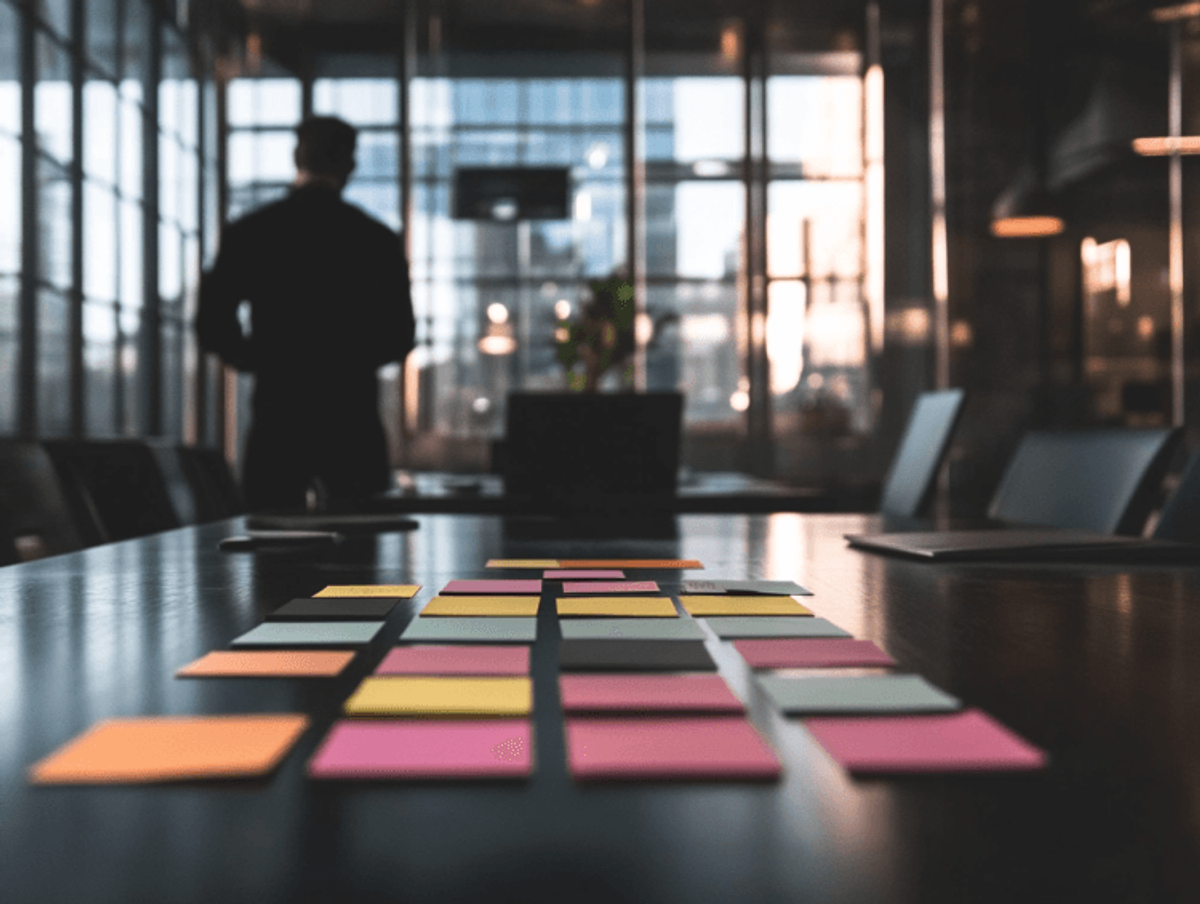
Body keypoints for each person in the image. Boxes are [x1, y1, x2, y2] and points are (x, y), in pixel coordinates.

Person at [196, 116, 415, 511]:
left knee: (270, 539)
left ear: (296, 157)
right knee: (358, 542)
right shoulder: (375, 238)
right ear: (350, 164)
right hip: (352, 420)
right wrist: (348, 359)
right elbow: (400, 335)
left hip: (279, 416)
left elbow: (211, 323)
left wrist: (262, 358)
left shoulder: (254, 230)